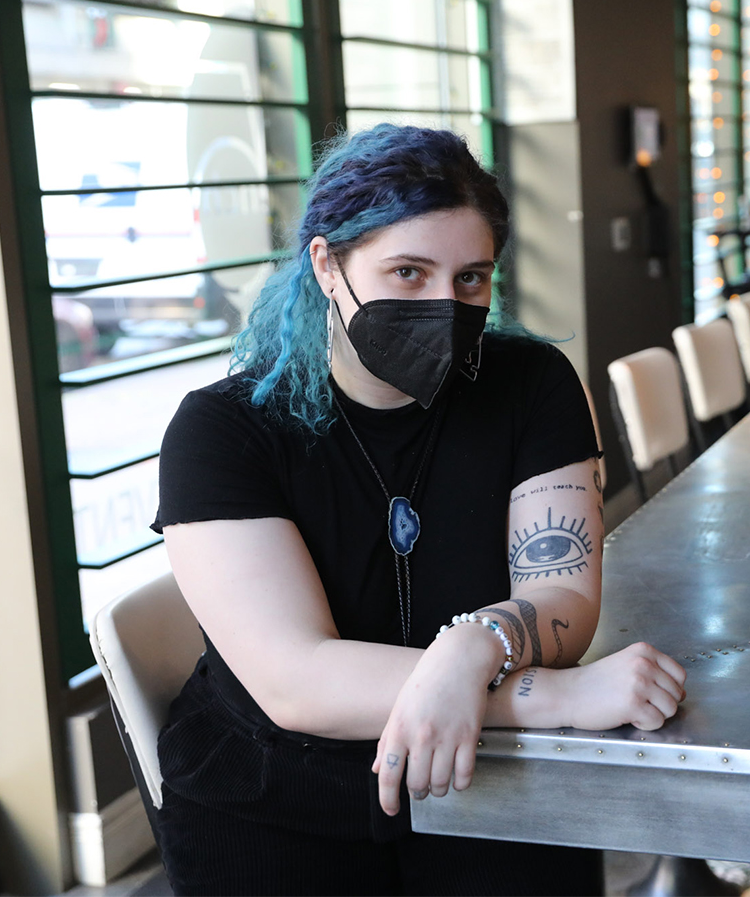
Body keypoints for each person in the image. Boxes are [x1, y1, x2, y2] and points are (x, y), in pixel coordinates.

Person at [150, 124, 688, 896]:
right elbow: (296, 681)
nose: (444, 304)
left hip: (493, 783)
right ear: (327, 265)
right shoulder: (223, 430)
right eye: (407, 271)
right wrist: (551, 696)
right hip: (278, 797)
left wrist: (470, 651)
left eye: (471, 278)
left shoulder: (530, 386)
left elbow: (562, 598)